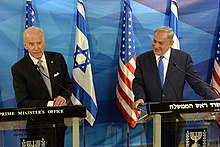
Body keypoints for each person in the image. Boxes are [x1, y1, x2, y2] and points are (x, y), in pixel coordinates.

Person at [132, 26, 218, 147]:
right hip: (152, 118)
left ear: (171, 43)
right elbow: (138, 82)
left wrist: (214, 99)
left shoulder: (183, 59)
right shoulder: (143, 59)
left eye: (160, 43)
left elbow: (196, 82)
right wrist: (140, 97)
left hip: (174, 117)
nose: (156, 46)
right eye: (154, 41)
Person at [11, 26, 73, 147]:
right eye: (31, 44)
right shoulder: (19, 69)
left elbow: (67, 85)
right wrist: (51, 104)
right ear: (25, 45)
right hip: (36, 127)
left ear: (44, 42)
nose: (36, 48)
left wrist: (63, 98)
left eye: (39, 43)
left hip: (59, 124)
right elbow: (23, 102)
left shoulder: (57, 58)